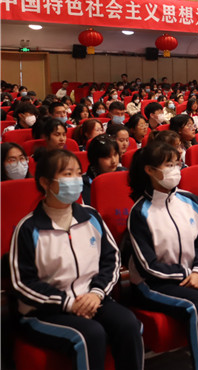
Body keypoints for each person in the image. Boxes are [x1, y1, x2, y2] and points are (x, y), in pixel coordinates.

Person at [9, 149, 144, 370]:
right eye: (67, 174)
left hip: (92, 298)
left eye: (77, 173)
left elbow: (111, 259)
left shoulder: (90, 216)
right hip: (45, 310)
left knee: (128, 324)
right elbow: (23, 282)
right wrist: (68, 303)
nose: (75, 180)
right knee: (90, 334)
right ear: (45, 182)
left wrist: (96, 293)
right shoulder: (28, 228)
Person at [127, 141, 198, 370]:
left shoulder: (190, 200)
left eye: (177, 164)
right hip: (153, 283)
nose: (175, 170)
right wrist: (188, 274)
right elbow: (147, 265)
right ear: (150, 170)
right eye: (168, 165)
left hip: (193, 275)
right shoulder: (140, 212)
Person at [82, 135, 125, 204]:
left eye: (115, 154)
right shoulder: (84, 184)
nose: (114, 161)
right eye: (107, 157)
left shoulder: (124, 173)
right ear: (95, 159)